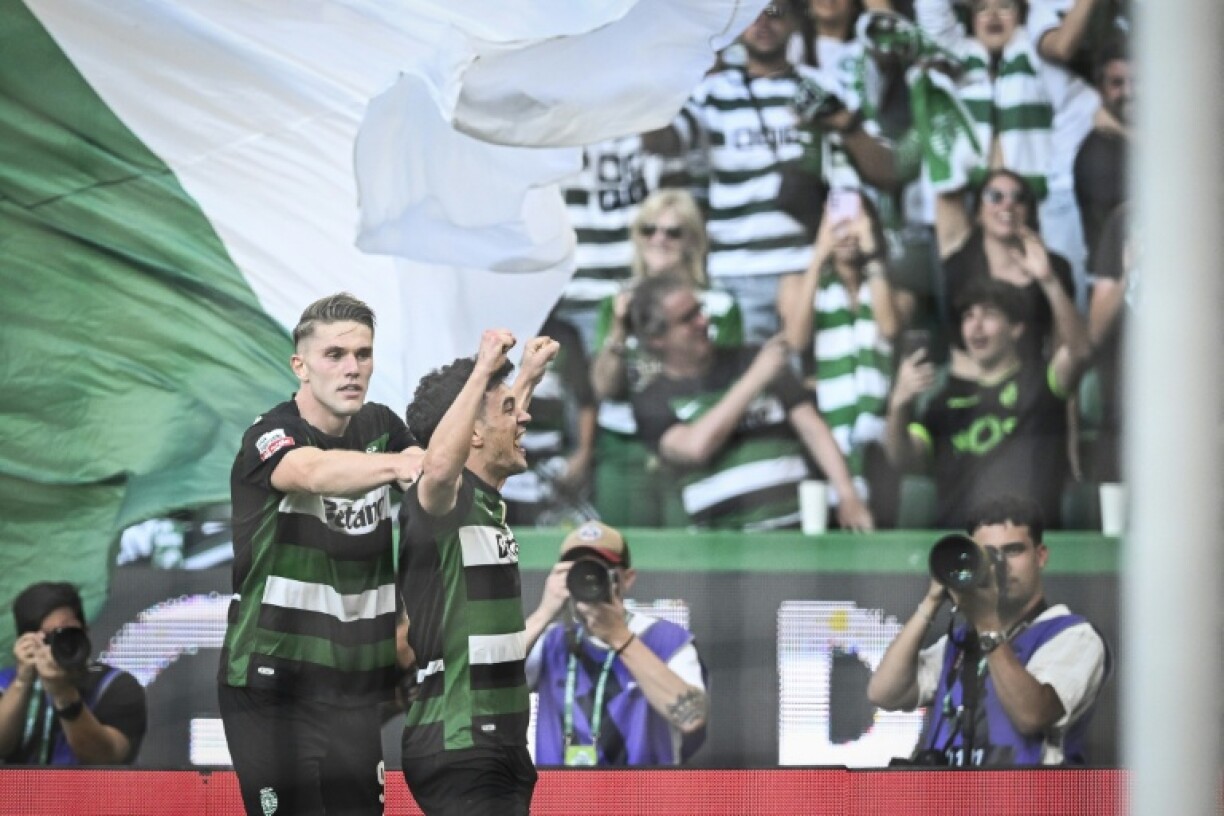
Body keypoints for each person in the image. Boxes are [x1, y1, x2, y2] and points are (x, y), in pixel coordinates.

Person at [218, 292, 423, 816]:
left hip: (352, 687)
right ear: (301, 365)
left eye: (363, 354)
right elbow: (310, 473)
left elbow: (430, 487)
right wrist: (400, 465)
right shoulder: (270, 434)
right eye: (334, 355)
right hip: (272, 682)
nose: (352, 368)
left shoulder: (382, 426)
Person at [643, 1, 892, 344]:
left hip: (811, 264)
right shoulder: (712, 93)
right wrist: (646, 92)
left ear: (793, 22)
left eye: (775, 11)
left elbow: (881, 167)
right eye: (751, 13)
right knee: (751, 383)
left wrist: (845, 123)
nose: (763, 22)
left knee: (813, 381)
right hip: (738, 271)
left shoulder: (820, 86)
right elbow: (664, 142)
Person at [398, 329, 559, 816]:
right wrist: (482, 368)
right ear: (470, 430)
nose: (524, 415)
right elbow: (443, 465)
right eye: (511, 409)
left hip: (501, 744)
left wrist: (524, 376)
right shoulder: (441, 503)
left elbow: (490, 435)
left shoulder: (485, 498)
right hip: (460, 741)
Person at [867, 494, 1109, 765]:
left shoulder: (1073, 635)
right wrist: (933, 599)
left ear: (1040, 556)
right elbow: (884, 693)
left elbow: (1031, 716)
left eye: (1013, 550)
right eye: (988, 554)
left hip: (1030, 801)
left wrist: (987, 624)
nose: (1000, 565)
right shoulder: (960, 643)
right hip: (950, 801)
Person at [630, 274, 874, 531]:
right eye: (687, 319)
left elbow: (812, 426)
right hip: (721, 545)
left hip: (798, 529)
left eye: (699, 310)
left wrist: (848, 494)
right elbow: (695, 447)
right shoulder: (652, 397)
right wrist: (755, 379)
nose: (704, 321)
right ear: (657, 338)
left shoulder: (751, 357)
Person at [916, 0, 1100, 309]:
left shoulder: (1034, 52)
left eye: (1005, 6)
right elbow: (931, 8)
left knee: (1049, 294)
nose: (992, 16)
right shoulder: (954, 52)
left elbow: (1085, 109)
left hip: (1033, 207)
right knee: (964, 298)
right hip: (965, 206)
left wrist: (1055, 177)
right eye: (982, 7)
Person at [884, 274, 1091, 528]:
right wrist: (898, 405)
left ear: (1016, 328)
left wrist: (1049, 281)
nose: (976, 325)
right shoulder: (944, 401)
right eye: (968, 316)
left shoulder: (1042, 382)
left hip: (1027, 544)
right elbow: (904, 460)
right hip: (960, 546)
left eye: (989, 314)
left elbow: (1080, 350)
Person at [589, 189, 742, 527]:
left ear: (693, 242)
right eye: (649, 229)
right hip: (623, 448)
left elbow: (724, 387)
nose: (659, 239)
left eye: (673, 232)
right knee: (618, 560)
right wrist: (619, 328)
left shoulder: (718, 306)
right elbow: (604, 389)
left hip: (688, 450)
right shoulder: (615, 303)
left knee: (683, 568)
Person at [523, 521, 709, 766]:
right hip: (561, 798)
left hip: (643, 798)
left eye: (599, 570)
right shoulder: (550, 640)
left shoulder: (667, 640)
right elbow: (479, 689)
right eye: (577, 570)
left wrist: (619, 637)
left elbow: (691, 718)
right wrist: (543, 614)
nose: (589, 579)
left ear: (627, 578)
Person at [779, 192, 917, 523]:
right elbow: (797, 340)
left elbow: (887, 327)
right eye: (837, 223)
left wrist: (872, 252)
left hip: (879, 441)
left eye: (855, 222)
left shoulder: (899, 293)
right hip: (822, 435)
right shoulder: (795, 284)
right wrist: (819, 254)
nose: (846, 233)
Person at [936, 170, 1078, 376]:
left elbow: (1068, 350)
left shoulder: (1055, 266)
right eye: (995, 197)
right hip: (977, 386)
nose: (1007, 204)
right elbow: (959, 355)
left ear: (1028, 211)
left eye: (1018, 198)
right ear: (978, 212)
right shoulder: (958, 268)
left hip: (1036, 384)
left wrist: (1049, 280)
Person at [0, 582, 146, 766]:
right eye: (48, 638)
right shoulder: (6, 683)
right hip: (16, 794)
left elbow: (107, 759)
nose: (59, 644)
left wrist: (63, 693)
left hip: (91, 794)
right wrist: (22, 681)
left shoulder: (116, 685)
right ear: (24, 642)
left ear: (85, 631)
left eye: (68, 633)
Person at [499, 312, 597, 527]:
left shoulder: (564, 336)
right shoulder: (493, 334)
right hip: (501, 458)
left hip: (550, 460)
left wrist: (583, 454)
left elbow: (585, 400)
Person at [1074, 38, 1130, 272]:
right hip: (1116, 288)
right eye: (1117, 83)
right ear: (1100, 89)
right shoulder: (1099, 154)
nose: (1129, 92)